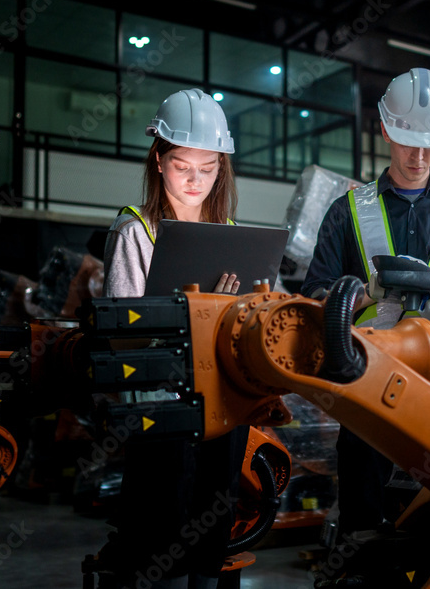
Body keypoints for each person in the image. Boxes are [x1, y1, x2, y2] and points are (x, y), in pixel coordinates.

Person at [300, 67, 430, 540]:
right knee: (364, 533)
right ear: (386, 128)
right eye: (409, 138)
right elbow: (312, 298)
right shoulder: (348, 210)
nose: (420, 153)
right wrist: (365, 293)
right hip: (369, 390)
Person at [99, 88, 246, 589]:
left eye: (208, 169)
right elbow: (121, 339)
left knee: (211, 533)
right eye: (184, 165)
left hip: (221, 405)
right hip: (161, 410)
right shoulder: (134, 232)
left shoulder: (229, 233)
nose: (195, 180)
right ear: (159, 160)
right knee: (160, 533)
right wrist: (195, 309)